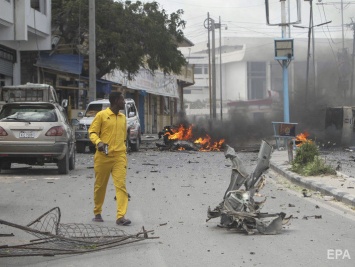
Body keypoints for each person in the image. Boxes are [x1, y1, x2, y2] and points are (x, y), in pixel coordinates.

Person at [88, 92, 131, 225]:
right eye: (122, 99)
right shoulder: (101, 115)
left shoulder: (123, 117)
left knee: (121, 185)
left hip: (119, 156)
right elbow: (92, 132)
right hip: (103, 157)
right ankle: (97, 212)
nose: (124, 102)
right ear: (116, 101)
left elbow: (124, 136)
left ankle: (120, 216)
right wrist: (98, 142)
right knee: (100, 186)